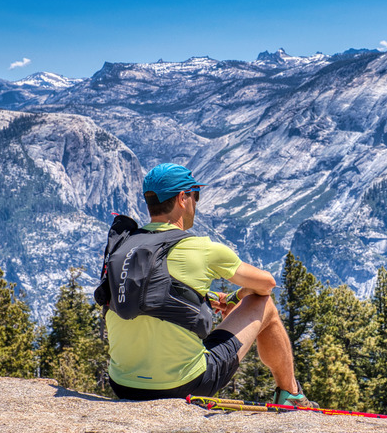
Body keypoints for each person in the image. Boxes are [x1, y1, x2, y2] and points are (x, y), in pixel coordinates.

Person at [105, 163, 315, 406]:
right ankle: (290, 394)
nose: (196, 202)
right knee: (263, 303)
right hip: (182, 385)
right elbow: (267, 283)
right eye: (196, 195)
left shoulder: (124, 246)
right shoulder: (203, 249)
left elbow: (149, 293)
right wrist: (241, 294)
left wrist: (197, 297)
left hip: (122, 385)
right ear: (183, 198)